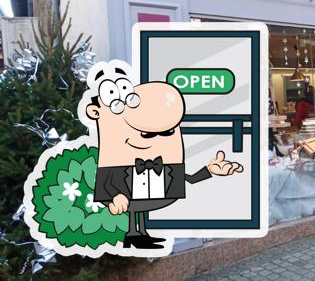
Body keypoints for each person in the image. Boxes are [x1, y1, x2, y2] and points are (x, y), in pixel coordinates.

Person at [86, 63, 244, 250]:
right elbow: (105, 184)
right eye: (147, 133)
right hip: (127, 197)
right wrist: (115, 196)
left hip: (149, 194)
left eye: (167, 132)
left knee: (141, 209)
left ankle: (139, 234)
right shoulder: (114, 164)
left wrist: (209, 170)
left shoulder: (166, 166)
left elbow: (190, 179)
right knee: (135, 208)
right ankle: (133, 235)